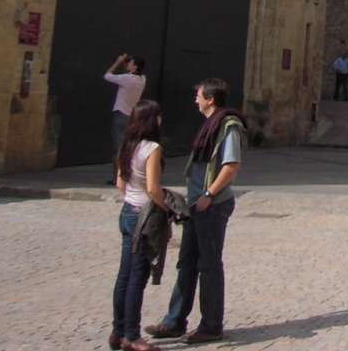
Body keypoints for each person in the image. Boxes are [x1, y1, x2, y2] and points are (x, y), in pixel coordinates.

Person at [146, 78, 245, 344]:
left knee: (209, 265)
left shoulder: (228, 126)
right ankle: (174, 321)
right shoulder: (210, 125)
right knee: (186, 263)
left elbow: (231, 165)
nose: (195, 100)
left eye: (199, 96)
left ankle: (211, 326)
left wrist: (209, 195)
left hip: (212, 205)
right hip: (196, 205)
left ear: (210, 99)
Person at [112, 100, 170, 351]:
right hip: (143, 217)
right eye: (158, 115)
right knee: (137, 277)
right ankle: (132, 336)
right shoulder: (152, 148)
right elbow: (154, 188)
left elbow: (120, 184)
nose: (161, 119)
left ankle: (118, 330)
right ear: (151, 120)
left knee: (124, 276)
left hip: (127, 212)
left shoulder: (127, 145)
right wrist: (167, 208)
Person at [105, 54, 147, 155]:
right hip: (132, 116)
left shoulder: (127, 78)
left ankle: (119, 170)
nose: (128, 63)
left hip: (121, 115)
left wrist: (118, 62)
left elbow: (107, 76)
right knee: (129, 145)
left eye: (131, 63)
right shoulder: (142, 79)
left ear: (135, 66)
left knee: (119, 147)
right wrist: (127, 66)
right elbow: (127, 76)